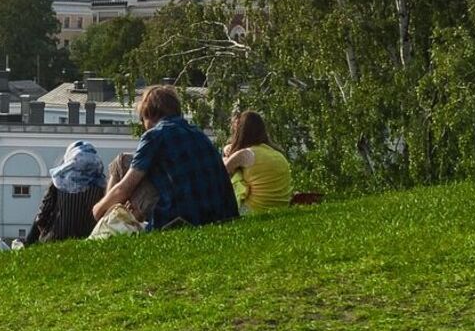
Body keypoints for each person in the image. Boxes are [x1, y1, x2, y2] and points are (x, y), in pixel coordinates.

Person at [93, 85, 240, 229]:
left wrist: (98, 210)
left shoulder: (154, 136)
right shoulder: (199, 134)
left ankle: (105, 225)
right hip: (221, 216)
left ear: (148, 114)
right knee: (125, 160)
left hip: (183, 219)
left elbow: (126, 187)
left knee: (123, 162)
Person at [25, 140, 107, 244]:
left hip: (56, 238)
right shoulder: (102, 184)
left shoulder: (59, 180)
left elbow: (42, 215)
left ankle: (26, 246)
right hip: (90, 237)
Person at [223, 110, 294, 213]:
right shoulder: (277, 154)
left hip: (255, 210)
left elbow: (221, 172)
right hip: (281, 208)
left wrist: (225, 154)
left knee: (234, 171)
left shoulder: (245, 154)